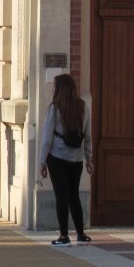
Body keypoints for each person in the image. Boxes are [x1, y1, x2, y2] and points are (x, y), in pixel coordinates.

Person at [39, 73, 93, 246]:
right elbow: (87, 136)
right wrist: (89, 158)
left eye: (55, 86)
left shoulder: (55, 108)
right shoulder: (83, 107)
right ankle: (81, 234)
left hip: (56, 157)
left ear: (60, 89)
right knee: (74, 196)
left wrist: (42, 161)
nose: (53, 89)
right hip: (76, 159)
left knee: (61, 197)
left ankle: (63, 236)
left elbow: (47, 138)